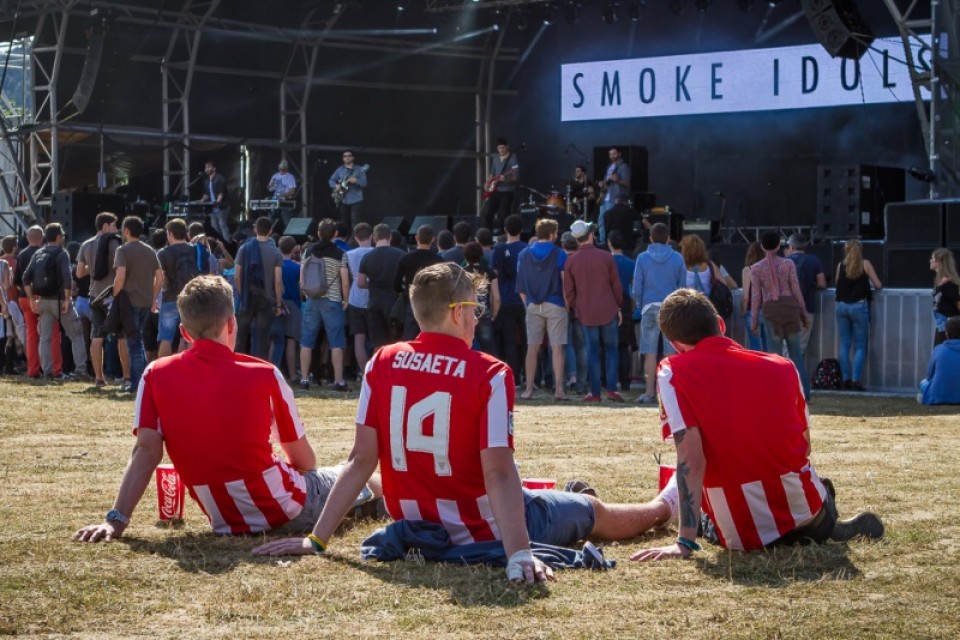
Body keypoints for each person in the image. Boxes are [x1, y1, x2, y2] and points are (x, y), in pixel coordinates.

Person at [252, 263, 678, 583]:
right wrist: (518, 554)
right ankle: (665, 503)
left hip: (418, 525)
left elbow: (361, 460)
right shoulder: (490, 372)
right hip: (484, 526)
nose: (477, 319)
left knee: (533, 490)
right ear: (457, 313)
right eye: (474, 310)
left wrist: (318, 539)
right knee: (595, 513)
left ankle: (569, 494)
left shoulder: (382, 361)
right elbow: (497, 470)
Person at [72, 275, 382, 542]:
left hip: (224, 517)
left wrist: (116, 519)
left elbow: (146, 453)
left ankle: (373, 506)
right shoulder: (263, 373)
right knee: (356, 475)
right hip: (285, 507)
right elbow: (304, 461)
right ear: (232, 322)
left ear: (184, 332)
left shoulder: (154, 374)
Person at [631, 289, 884, 562]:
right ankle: (824, 518)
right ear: (721, 324)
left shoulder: (671, 371)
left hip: (741, 532)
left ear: (674, 343)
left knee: (711, 514)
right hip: (805, 512)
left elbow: (691, 458)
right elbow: (805, 445)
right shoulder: (784, 366)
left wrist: (684, 542)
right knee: (821, 490)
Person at [564, 220, 623, 402]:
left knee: (592, 351)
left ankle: (595, 392)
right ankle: (612, 388)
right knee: (612, 349)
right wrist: (618, 306)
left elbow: (569, 291)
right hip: (608, 308)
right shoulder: (606, 257)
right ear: (590, 235)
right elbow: (616, 285)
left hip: (586, 311)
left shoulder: (571, 261)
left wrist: (578, 307)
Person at [22, 223, 89, 380]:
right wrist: (67, 299)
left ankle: (47, 371)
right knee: (76, 335)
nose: (64, 238)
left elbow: (26, 277)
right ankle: (80, 370)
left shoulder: (39, 253)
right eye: (63, 235)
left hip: (43, 300)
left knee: (44, 338)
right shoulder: (62, 253)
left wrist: (32, 299)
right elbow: (67, 277)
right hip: (60, 300)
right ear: (58, 237)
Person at [750, 231, 810, 400]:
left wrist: (754, 320)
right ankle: (804, 393)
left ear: (762, 246)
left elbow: (756, 297)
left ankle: (776, 393)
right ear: (779, 245)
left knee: (774, 356)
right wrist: (803, 313)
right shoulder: (788, 264)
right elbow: (796, 291)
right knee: (796, 354)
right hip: (790, 309)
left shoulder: (756, 269)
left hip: (771, 312)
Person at [632, 222, 686, 404]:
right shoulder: (678, 258)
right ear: (669, 238)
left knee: (649, 352)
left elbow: (637, 286)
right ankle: (670, 392)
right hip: (670, 307)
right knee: (671, 353)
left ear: (650, 238)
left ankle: (649, 392)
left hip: (649, 307)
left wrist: (641, 305)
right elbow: (683, 287)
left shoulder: (642, 258)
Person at [516, 219, 567, 401]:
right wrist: (567, 305)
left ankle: (529, 389)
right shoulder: (560, 254)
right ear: (552, 234)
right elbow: (564, 282)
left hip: (532, 304)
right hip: (555, 303)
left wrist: (527, 304)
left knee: (532, 348)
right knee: (557, 348)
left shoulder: (524, 254)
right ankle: (559, 389)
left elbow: (520, 285)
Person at [112, 216, 162, 393]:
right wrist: (153, 295)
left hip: (129, 301)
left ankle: (136, 383)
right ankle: (140, 382)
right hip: (146, 302)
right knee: (138, 340)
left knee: (134, 343)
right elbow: (160, 277)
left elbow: (120, 276)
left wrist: (115, 294)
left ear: (126, 231)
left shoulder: (122, 250)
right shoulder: (150, 251)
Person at [299, 218, 350, 391]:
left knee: (307, 341)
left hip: (312, 299)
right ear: (335, 234)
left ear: (318, 233)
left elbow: (302, 278)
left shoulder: (308, 252)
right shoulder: (340, 254)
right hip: (333, 300)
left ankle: (305, 379)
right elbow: (344, 281)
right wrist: (345, 299)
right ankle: (338, 380)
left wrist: (306, 295)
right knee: (336, 342)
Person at [834, 239, 882, 391]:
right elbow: (878, 284)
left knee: (845, 344)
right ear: (860, 250)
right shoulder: (865, 264)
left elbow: (837, 283)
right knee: (860, 345)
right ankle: (855, 380)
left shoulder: (840, 265)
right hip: (859, 305)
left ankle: (845, 379)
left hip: (841, 306)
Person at [234, 217, 283, 361]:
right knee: (262, 338)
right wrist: (278, 304)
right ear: (271, 231)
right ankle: (259, 368)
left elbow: (237, 276)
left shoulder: (244, 248)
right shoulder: (276, 252)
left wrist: (243, 294)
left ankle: (237, 367)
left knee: (241, 336)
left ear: (255, 229)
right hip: (267, 299)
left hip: (247, 297)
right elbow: (278, 281)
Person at [156, 218, 206, 358]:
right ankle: (190, 371)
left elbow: (161, 279)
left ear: (170, 234)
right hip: (192, 298)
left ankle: (163, 371)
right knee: (190, 337)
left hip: (170, 298)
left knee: (166, 337)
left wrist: (154, 297)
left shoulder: (163, 253)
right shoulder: (196, 250)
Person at [489, 214, 527, 386]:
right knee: (529, 341)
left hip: (505, 299)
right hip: (525, 300)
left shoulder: (498, 249)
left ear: (505, 229)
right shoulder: (527, 249)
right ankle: (530, 376)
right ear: (522, 229)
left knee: (510, 341)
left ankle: (515, 378)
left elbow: (494, 275)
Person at [358, 223, 404, 351]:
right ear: (390, 237)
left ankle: (377, 369)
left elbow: (361, 282)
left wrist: (373, 285)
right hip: (394, 302)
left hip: (374, 302)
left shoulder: (367, 257)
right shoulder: (400, 254)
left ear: (374, 238)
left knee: (377, 343)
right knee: (396, 342)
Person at [394, 224, 443, 341]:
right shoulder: (439, 260)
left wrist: (404, 294)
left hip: (412, 301)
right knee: (432, 337)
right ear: (433, 239)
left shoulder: (405, 259)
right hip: (432, 303)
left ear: (417, 238)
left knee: (410, 338)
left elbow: (396, 284)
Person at [784, 233, 826, 356]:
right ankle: (796, 372)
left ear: (791, 246)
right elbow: (822, 283)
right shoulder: (813, 260)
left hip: (787, 308)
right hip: (807, 307)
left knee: (786, 345)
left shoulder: (785, 262)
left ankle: (784, 371)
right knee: (801, 346)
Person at [344, 223, 374, 377]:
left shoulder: (349, 255)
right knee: (375, 337)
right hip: (372, 297)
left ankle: (363, 372)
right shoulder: (376, 253)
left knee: (359, 338)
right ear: (372, 236)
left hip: (355, 298)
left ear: (356, 238)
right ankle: (375, 372)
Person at [463, 241, 499, 355]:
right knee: (488, 349)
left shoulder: (462, 273)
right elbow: (496, 297)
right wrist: (493, 315)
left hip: (467, 315)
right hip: (484, 314)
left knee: (468, 349)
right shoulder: (490, 272)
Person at [479, 137, 519, 233]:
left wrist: (506, 178)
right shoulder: (496, 158)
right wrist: (487, 183)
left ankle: (504, 236)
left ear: (507, 147)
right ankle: (486, 236)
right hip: (495, 191)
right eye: (499, 148)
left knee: (503, 215)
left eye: (503, 148)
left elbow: (515, 176)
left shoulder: (513, 158)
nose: (501, 150)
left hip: (507, 191)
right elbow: (492, 174)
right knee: (486, 213)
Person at [919, 316, 960, 405]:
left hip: (938, 397)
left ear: (947, 334)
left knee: (923, 383)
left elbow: (929, 376)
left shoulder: (938, 349)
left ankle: (925, 397)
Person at [597, 147, 630, 242]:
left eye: (614, 154)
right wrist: (602, 183)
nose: (612, 156)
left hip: (614, 198)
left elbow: (627, 183)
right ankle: (603, 241)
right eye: (610, 154)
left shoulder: (623, 166)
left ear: (619, 154)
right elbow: (607, 181)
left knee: (611, 222)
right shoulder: (609, 167)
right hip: (605, 198)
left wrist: (617, 180)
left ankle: (611, 242)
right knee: (601, 221)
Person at [329, 149, 367, 228]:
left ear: (353, 158)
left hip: (356, 199)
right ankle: (345, 238)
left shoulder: (359, 169)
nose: (347, 158)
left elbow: (364, 183)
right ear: (343, 158)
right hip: (343, 199)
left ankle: (354, 239)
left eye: (349, 156)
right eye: (345, 156)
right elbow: (331, 180)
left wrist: (356, 181)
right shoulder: (339, 170)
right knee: (344, 222)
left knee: (355, 221)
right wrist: (336, 186)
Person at [930, 248, 960, 346]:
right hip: (940, 326)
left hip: (949, 327)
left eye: (933, 258)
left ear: (939, 262)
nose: (930, 261)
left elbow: (958, 302)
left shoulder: (949, 283)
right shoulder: (939, 282)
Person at [740, 242, 767, 352]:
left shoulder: (748, 270)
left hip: (752, 311)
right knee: (767, 345)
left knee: (754, 345)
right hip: (767, 310)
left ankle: (757, 368)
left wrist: (743, 310)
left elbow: (746, 296)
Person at [201, 160, 230, 241]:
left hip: (221, 207)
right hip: (212, 208)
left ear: (214, 168)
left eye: (209, 167)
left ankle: (227, 243)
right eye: (206, 167)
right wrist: (202, 200)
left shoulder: (219, 178)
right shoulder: (206, 181)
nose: (206, 169)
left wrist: (217, 203)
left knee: (222, 225)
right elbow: (207, 194)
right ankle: (218, 243)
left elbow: (221, 193)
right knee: (214, 227)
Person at [268, 160, 298, 227]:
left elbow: (292, 191)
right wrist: (270, 185)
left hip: (285, 201)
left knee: (287, 222)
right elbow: (270, 189)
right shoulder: (275, 176)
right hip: (275, 201)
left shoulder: (290, 177)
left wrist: (283, 195)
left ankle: (288, 233)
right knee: (270, 218)